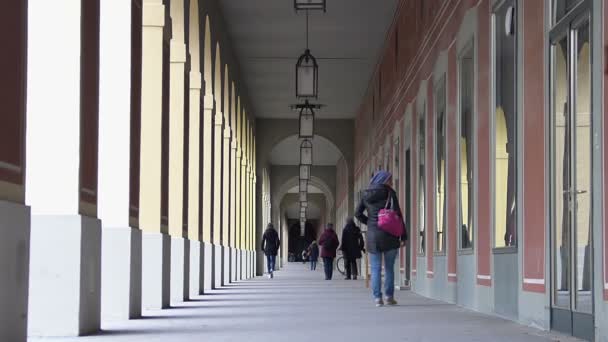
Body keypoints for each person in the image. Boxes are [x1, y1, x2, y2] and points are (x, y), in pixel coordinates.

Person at [355, 170, 407, 307]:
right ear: (383, 180)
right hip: (390, 234)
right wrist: (403, 235)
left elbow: (357, 213)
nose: (391, 182)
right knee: (389, 268)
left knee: (376, 268)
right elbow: (398, 215)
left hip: (373, 235)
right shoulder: (390, 192)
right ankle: (389, 297)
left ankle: (378, 298)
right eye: (389, 180)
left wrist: (370, 222)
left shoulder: (366, 194)